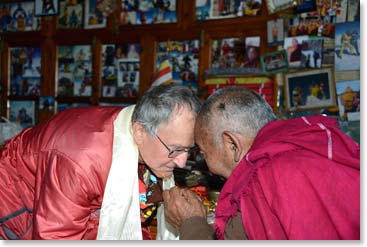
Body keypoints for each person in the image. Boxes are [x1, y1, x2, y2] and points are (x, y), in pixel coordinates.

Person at [0, 84, 201, 240]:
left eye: (188, 150)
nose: (182, 163)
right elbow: (55, 236)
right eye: (175, 150)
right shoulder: (81, 162)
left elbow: (127, 220)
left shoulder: (145, 139)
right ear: (140, 131)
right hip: (16, 197)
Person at [163, 86, 360, 240]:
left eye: (204, 153)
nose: (206, 167)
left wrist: (191, 222)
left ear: (232, 144)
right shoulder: (319, 144)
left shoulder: (264, 181)